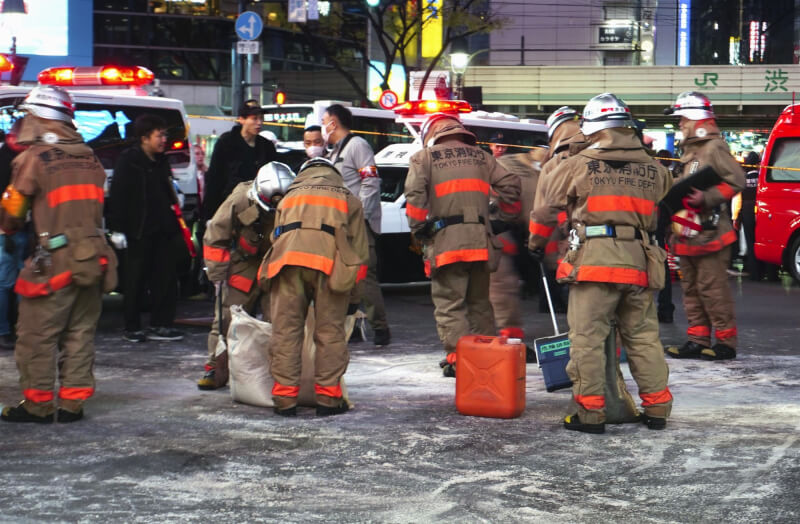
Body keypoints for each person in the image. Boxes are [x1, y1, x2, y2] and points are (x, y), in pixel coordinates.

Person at [529, 93, 673, 433]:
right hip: (640, 261)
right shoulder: (654, 168)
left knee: (587, 340)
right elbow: (665, 192)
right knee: (643, 338)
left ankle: (591, 414)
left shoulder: (578, 164)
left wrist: (536, 243)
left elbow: (548, 202)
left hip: (594, 262)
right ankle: (657, 409)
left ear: (592, 127)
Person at [0, 86, 118, 423]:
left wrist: (9, 225)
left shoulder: (34, 158)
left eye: (27, 114)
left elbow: (12, 215)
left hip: (55, 262)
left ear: (40, 116)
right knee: (80, 334)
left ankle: (38, 405)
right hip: (94, 257)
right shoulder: (89, 155)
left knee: (37, 335)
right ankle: (72, 404)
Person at [404, 113, 520, 377]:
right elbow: (511, 185)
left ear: (431, 134)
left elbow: (415, 199)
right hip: (481, 241)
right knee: (479, 302)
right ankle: (486, 354)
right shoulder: (482, 157)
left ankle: (459, 359)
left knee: (449, 303)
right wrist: (500, 219)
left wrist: (419, 230)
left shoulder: (424, 159)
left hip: (446, 243)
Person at [259, 157, 368, 417]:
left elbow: (277, 237)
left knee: (286, 331)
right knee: (329, 332)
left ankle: (285, 400)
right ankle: (328, 400)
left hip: (287, 265)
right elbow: (360, 255)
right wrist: (354, 298)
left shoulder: (288, 197)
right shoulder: (349, 199)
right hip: (330, 266)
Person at [196, 162, 293, 390]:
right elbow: (215, 236)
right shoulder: (240, 198)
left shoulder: (296, 198)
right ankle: (215, 369)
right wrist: (217, 275)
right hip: (246, 265)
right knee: (227, 320)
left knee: (281, 322)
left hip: (277, 265)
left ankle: (281, 375)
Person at [664, 92, 745, 361]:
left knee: (713, 291)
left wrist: (706, 198)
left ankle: (725, 344)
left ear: (694, 118)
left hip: (710, 235)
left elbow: (736, 180)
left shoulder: (713, 147)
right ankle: (697, 340)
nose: (680, 125)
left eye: (682, 119)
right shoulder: (691, 150)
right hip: (689, 236)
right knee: (692, 292)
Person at [107, 114, 185, 342]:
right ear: (144, 138)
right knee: (135, 280)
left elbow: (169, 186)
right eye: (159, 135)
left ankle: (162, 324)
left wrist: (176, 197)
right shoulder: (128, 160)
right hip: (137, 231)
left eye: (165, 135)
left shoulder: (161, 162)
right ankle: (132, 327)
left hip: (164, 228)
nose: (164, 140)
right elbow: (119, 197)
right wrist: (117, 229)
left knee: (165, 278)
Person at [322, 104, 390, 346]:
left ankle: (380, 328)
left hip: (358, 224)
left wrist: (360, 216)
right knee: (342, 278)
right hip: (340, 224)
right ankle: (349, 327)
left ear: (334, 122)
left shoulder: (357, 145)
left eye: (324, 120)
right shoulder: (333, 151)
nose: (323, 126)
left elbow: (371, 181)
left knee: (363, 277)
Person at [492, 145, 545, 362]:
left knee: (500, 288)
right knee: (501, 286)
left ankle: (502, 336)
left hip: (512, 231)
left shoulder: (535, 170)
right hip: (497, 232)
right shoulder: (510, 168)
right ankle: (509, 339)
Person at [532, 106, 586, 315]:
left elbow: (543, 211)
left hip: (572, 243)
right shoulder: (600, 158)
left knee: (584, 315)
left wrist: (535, 243)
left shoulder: (554, 164)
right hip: (620, 249)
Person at [202, 99, 277, 221]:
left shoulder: (266, 146)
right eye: (254, 118)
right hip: (230, 207)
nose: (259, 123)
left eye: (261, 118)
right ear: (241, 119)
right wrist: (209, 215)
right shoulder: (226, 143)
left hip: (261, 208)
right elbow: (214, 179)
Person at [0, 119, 27, 349]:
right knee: (12, 283)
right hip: (11, 229)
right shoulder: (26, 160)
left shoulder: (14, 157)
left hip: (9, 229)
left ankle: (9, 330)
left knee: (8, 283)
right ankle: (18, 329)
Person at [654, 150, 676, 323]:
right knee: (662, 268)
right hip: (659, 224)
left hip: (644, 224)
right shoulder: (666, 176)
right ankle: (665, 308)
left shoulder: (647, 170)